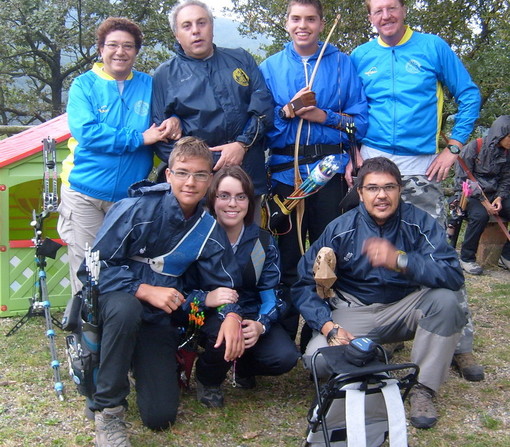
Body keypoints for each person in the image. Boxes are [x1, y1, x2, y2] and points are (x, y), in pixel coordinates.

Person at [350, 0, 483, 382]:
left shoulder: (432, 47)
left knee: (437, 252)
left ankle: (460, 343)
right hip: (373, 167)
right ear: (370, 17)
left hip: (424, 167)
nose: (385, 16)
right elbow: (350, 109)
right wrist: (352, 152)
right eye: (377, 11)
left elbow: (469, 94)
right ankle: (392, 331)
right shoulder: (361, 56)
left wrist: (455, 146)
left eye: (391, 8)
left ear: (403, 10)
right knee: (379, 250)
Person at [81, 137, 245, 447]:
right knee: (126, 310)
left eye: (200, 175)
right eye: (182, 172)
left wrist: (232, 316)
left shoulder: (209, 230)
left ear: (210, 180)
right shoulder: (134, 209)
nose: (190, 182)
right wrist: (143, 288)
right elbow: (91, 269)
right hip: (116, 303)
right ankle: (109, 409)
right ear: (168, 175)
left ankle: (129, 362)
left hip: (158, 319)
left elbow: (225, 283)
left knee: (160, 417)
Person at [293, 157, 466, 429]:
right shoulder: (340, 229)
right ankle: (371, 355)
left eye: (390, 187)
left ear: (400, 190)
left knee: (446, 301)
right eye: (372, 188)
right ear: (360, 193)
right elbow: (302, 284)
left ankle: (422, 388)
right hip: (354, 310)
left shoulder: (420, 223)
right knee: (317, 361)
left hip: (404, 307)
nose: (382, 195)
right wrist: (328, 327)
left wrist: (401, 260)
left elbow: (453, 274)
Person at [259, 0, 368, 341]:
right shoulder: (270, 68)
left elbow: (361, 124)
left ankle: (321, 337)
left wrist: (326, 116)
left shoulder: (342, 64)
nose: (302, 26)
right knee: (286, 260)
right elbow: (260, 126)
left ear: (321, 23)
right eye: (296, 19)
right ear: (287, 22)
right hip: (284, 178)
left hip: (330, 174)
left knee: (329, 257)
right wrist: (287, 111)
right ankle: (282, 337)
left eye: (310, 19)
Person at [58, 17, 167, 295]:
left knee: (123, 266)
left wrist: (174, 121)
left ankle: (118, 332)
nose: (120, 52)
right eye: (113, 45)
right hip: (85, 194)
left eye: (128, 46)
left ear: (136, 51)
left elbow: (165, 115)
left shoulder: (149, 84)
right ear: (100, 49)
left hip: (129, 198)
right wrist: (139, 139)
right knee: (87, 268)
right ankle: (87, 335)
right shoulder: (83, 86)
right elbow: (88, 132)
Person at [191, 165, 300, 407]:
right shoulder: (198, 237)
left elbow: (271, 291)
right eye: (224, 196)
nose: (232, 204)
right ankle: (208, 379)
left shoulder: (261, 241)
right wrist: (207, 300)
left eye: (240, 197)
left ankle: (243, 367)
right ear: (212, 198)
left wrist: (261, 324)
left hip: (250, 311)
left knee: (285, 357)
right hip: (209, 311)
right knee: (221, 334)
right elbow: (185, 287)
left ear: (250, 202)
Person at [151, 0, 274, 204]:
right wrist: (204, 165)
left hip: (247, 175)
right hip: (197, 187)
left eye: (202, 22)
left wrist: (242, 144)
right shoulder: (165, 75)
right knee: (200, 236)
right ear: (177, 34)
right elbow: (161, 139)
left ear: (212, 26)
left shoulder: (241, 59)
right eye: (186, 26)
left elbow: (263, 107)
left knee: (247, 235)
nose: (195, 31)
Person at [454, 115, 510, 275]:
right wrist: (484, 202)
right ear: (500, 134)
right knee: (480, 216)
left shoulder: (507, 154)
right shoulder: (474, 147)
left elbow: (507, 178)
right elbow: (462, 178)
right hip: (469, 194)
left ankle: (506, 256)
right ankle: (466, 258)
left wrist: (500, 197)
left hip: (494, 194)